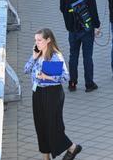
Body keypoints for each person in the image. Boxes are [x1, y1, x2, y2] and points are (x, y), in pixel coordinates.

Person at [23, 28, 83, 160]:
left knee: (53, 125)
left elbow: (66, 77)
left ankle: (72, 147)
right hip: (37, 92)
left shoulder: (55, 56)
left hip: (52, 94)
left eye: (39, 40)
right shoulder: (37, 54)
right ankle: (46, 157)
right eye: (36, 40)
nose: (36, 43)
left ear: (48, 40)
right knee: (40, 125)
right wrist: (33, 57)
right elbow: (26, 70)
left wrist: (48, 77)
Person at [59, 0, 101, 93]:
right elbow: (93, 8)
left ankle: (72, 83)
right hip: (87, 28)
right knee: (87, 57)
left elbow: (62, 8)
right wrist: (97, 25)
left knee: (73, 56)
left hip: (72, 29)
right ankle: (89, 84)